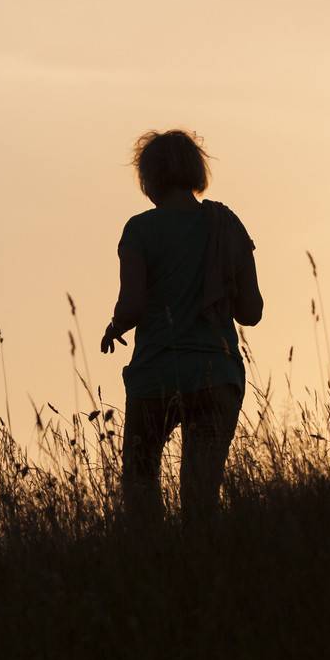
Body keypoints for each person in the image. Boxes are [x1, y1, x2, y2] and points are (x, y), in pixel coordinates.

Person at [100, 130, 263, 526]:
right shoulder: (226, 225)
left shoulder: (140, 230)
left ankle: (153, 567)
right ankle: (203, 570)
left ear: (149, 177)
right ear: (195, 170)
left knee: (140, 483)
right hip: (216, 374)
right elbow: (251, 311)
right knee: (201, 494)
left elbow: (133, 304)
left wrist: (114, 326)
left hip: (156, 375)